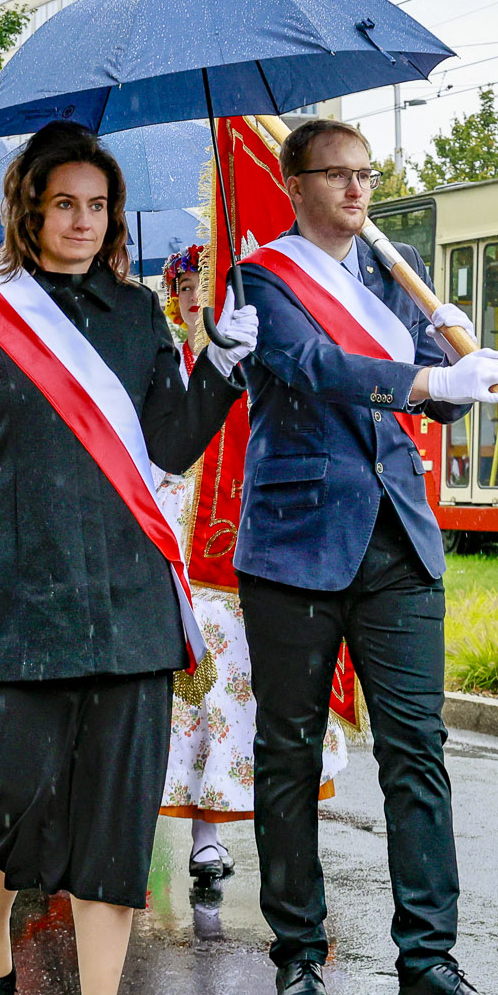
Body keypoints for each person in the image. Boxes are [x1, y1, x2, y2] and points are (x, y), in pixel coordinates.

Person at [0, 122, 250, 995]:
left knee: (116, 813)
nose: (80, 219)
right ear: (31, 207)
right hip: (24, 602)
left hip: (130, 601)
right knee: (16, 794)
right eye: (63, 202)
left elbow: (171, 442)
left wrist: (222, 363)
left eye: (96, 205)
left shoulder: (138, 313)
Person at [234, 118, 498, 995]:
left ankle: (429, 961)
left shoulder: (392, 288)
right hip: (294, 544)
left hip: (398, 540)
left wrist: (460, 353)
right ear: (297, 185)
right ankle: (300, 953)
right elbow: (316, 369)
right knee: (288, 755)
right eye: (339, 174)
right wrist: (432, 380)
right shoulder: (257, 281)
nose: (359, 190)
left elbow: (430, 390)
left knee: (417, 754)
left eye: (366, 174)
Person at [153, 244, 347, 882]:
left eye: (207, 287)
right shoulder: (166, 367)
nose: (195, 299)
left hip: (263, 538)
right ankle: (206, 832)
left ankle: (288, 844)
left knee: (272, 689)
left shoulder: (265, 361)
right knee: (200, 693)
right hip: (182, 540)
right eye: (185, 287)